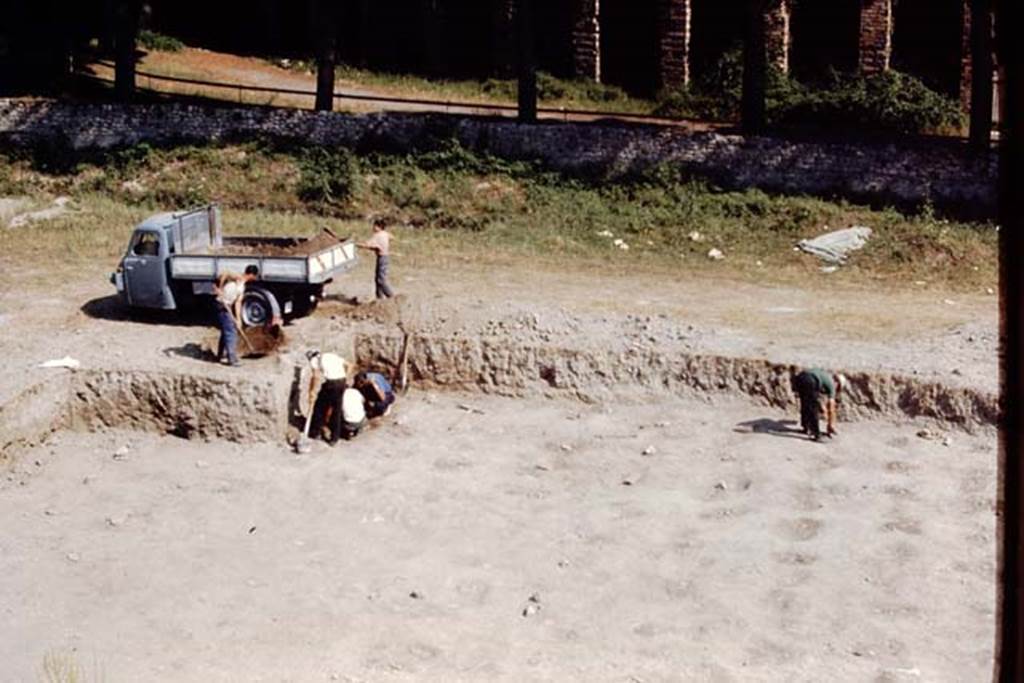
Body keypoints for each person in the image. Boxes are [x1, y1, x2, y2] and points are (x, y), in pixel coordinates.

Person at [213, 265, 259, 367]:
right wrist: (220, 288)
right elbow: (225, 273)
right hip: (221, 304)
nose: (255, 279)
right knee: (231, 332)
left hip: (228, 305)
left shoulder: (242, 286)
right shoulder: (237, 277)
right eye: (255, 276)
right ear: (252, 275)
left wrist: (238, 319)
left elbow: (238, 302)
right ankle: (232, 359)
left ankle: (220, 355)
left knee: (227, 330)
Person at [790, 366, 846, 441]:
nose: (836, 390)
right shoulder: (832, 384)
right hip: (810, 380)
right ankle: (816, 434)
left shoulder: (824, 375)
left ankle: (806, 427)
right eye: (838, 388)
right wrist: (831, 425)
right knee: (813, 407)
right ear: (837, 382)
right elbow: (831, 408)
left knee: (805, 404)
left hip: (800, 378)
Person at [307, 350, 350, 444]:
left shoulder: (314, 360)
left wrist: (312, 392)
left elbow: (315, 377)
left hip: (331, 384)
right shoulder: (331, 355)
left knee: (319, 408)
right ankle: (334, 438)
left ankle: (315, 432)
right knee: (337, 411)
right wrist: (345, 378)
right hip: (341, 383)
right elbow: (349, 364)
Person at [357, 218, 394, 300]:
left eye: (374, 226)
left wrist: (356, 244)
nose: (373, 228)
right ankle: (379, 298)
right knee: (377, 279)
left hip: (382, 258)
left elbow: (366, 245)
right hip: (385, 257)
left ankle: (391, 297)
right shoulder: (385, 234)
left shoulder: (377, 236)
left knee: (381, 280)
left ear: (379, 227)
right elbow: (392, 237)